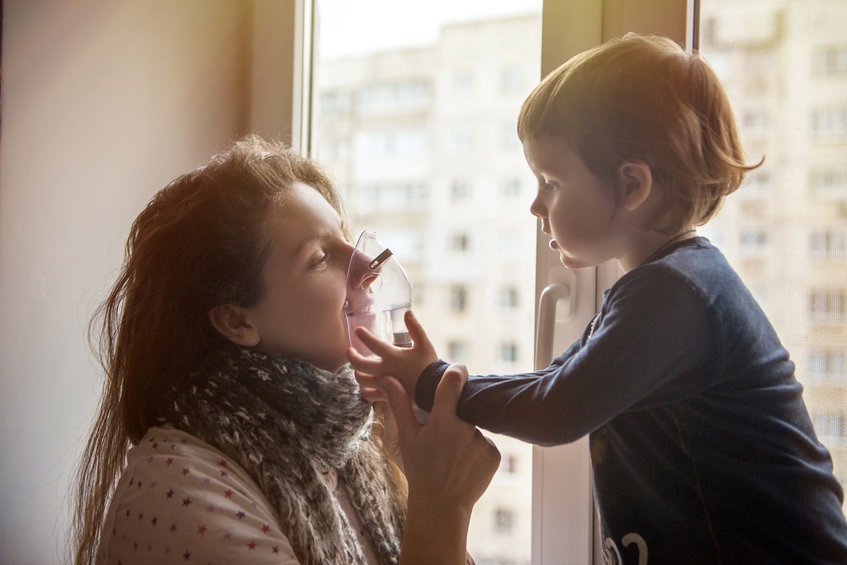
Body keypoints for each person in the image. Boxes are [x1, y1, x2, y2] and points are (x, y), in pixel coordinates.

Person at [348, 34, 847, 563]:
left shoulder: (677, 293)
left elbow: (557, 408)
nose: (536, 205)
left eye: (552, 182)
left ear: (632, 185)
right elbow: (554, 382)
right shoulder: (654, 289)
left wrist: (433, 381)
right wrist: (435, 381)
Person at [71, 135, 500, 565]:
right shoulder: (181, 493)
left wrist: (420, 482)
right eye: (320, 257)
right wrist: (441, 507)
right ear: (238, 321)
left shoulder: (355, 450)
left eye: (346, 239)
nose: (369, 267)